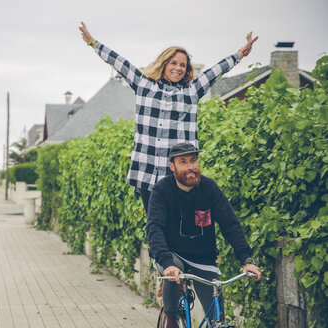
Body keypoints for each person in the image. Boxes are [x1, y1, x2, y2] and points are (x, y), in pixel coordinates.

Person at [79, 22, 258, 214]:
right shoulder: (144, 86)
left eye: (183, 65)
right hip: (148, 173)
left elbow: (218, 69)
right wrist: (92, 42)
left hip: (179, 176)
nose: (178, 68)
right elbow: (119, 62)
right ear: (164, 64)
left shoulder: (192, 91)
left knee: (178, 228)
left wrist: (242, 52)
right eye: (174, 63)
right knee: (155, 227)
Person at [146, 142, 262, 326]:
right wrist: (166, 263)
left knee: (217, 317)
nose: (190, 166)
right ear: (172, 166)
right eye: (183, 161)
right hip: (172, 255)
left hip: (203, 260)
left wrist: (246, 260)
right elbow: (154, 228)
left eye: (193, 160)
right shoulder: (162, 191)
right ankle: (171, 319)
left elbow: (230, 224)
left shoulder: (209, 189)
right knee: (172, 275)